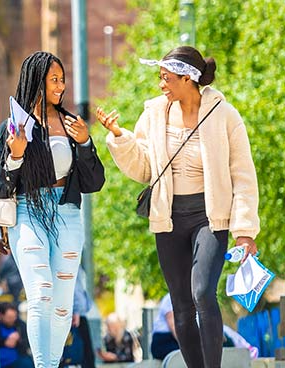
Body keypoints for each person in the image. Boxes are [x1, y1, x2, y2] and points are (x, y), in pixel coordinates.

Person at [97, 46, 260, 368]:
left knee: (202, 293)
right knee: (181, 304)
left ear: (188, 79)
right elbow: (145, 167)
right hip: (168, 218)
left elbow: (242, 174)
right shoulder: (155, 113)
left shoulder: (224, 114)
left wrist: (244, 231)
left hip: (210, 218)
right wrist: (119, 137)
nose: (161, 85)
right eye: (160, 78)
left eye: (167, 78)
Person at [0, 51, 105, 367]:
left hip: (66, 213)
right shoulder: (11, 128)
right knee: (41, 293)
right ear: (36, 81)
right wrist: (16, 154)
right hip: (27, 211)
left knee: (64, 304)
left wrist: (85, 143)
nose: (61, 86)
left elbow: (94, 181)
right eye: (54, 79)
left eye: (62, 79)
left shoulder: (70, 125)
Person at [0, 303, 33, 368]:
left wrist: (18, 340)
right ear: (0, 315)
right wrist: (5, 341)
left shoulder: (20, 325)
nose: (12, 319)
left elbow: (27, 344)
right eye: (9, 317)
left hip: (18, 360)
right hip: (0, 362)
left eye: (14, 317)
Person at [151, 294, 180, 360]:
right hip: (164, 340)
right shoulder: (170, 298)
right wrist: (186, 346)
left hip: (174, 339)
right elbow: (173, 326)